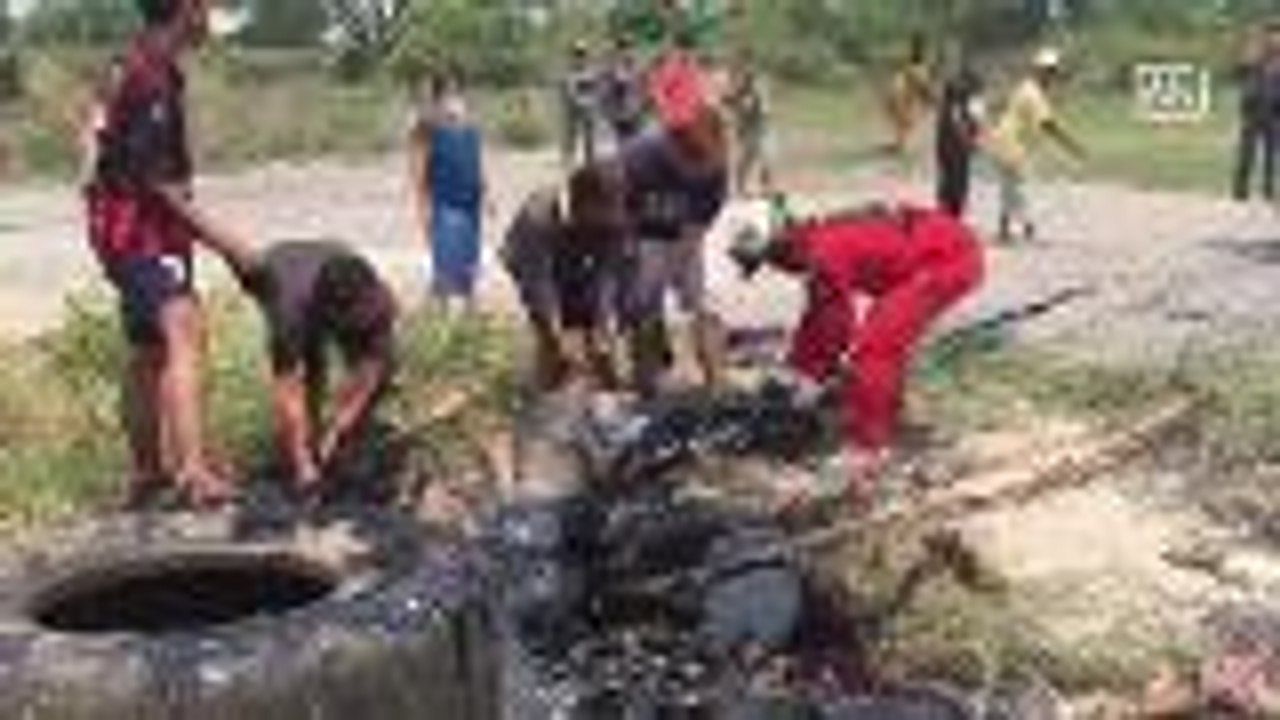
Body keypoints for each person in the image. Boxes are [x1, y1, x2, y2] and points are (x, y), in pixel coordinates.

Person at [729, 203, 983, 510]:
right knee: (884, 341)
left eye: (770, 258)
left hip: (946, 257)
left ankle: (869, 450)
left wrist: (810, 382)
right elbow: (817, 318)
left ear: (781, 241)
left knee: (874, 351)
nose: (775, 267)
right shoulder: (817, 244)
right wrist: (797, 372)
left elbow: (837, 327)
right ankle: (890, 423)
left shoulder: (823, 253)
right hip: (930, 249)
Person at [85, 0, 237, 508]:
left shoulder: (138, 66)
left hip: (128, 229)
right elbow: (158, 185)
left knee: (149, 350)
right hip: (140, 231)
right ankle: (192, 472)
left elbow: (93, 139)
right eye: (209, 7)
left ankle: (148, 472)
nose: (213, 17)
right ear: (186, 7)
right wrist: (227, 243)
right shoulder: (148, 77)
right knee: (184, 326)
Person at [215, 239, 397, 498]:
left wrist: (343, 424)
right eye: (354, 320)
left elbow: (376, 364)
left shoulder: (375, 295)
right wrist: (303, 466)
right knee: (312, 365)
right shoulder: (288, 309)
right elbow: (289, 387)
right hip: (274, 272)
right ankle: (305, 455)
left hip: (327, 262)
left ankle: (345, 451)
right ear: (331, 315)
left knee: (379, 371)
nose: (363, 322)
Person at [619, 107, 730, 396]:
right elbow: (620, 208)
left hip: (684, 228)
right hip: (642, 227)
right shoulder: (643, 153)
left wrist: (685, 255)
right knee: (644, 304)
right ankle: (648, 381)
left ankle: (717, 384)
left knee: (704, 306)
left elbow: (703, 219)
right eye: (696, 154)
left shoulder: (717, 163)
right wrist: (633, 252)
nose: (703, 163)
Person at [502, 164, 629, 391]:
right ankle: (548, 387)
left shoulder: (612, 214)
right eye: (606, 211)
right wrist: (558, 331)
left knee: (594, 326)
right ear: (584, 203)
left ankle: (608, 389)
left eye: (616, 211)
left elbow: (607, 273)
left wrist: (603, 320)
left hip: (576, 253)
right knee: (550, 332)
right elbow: (539, 284)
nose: (614, 217)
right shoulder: (538, 216)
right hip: (526, 258)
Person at [984, 47, 1086, 243]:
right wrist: (1072, 146)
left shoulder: (1026, 87)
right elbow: (1049, 125)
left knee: (1009, 187)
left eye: (1053, 72)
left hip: (1003, 140)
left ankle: (1005, 229)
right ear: (1041, 71)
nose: (1052, 77)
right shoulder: (1034, 95)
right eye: (1050, 72)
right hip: (1012, 144)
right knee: (1019, 187)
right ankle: (1028, 228)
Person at [408, 67, 487, 312]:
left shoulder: (469, 123)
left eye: (457, 89)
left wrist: (486, 191)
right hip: (444, 201)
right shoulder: (425, 125)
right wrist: (423, 205)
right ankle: (439, 309)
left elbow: (476, 160)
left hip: (470, 199)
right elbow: (418, 169)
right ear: (439, 95)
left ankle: (471, 307)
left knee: (469, 255)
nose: (454, 96)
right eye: (448, 90)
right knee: (445, 256)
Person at [934, 54, 986, 217]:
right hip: (956, 145)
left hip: (946, 144)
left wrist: (974, 138)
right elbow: (964, 121)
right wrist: (972, 140)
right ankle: (951, 217)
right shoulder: (966, 94)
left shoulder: (953, 92)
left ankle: (946, 216)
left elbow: (970, 121)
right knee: (957, 183)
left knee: (948, 181)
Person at [1233, 24, 1280, 202]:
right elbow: (1237, 75)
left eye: (1278, 35)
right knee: (1246, 153)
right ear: (1266, 37)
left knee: (1272, 156)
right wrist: (1245, 61)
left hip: (1275, 113)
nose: (1275, 39)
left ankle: (1268, 191)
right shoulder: (1254, 55)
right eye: (1272, 35)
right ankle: (1240, 191)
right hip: (1252, 110)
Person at [882, 33, 935, 158]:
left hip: (903, 95)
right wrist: (929, 98)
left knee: (905, 120)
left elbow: (922, 86)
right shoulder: (917, 68)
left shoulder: (911, 66)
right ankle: (901, 144)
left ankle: (900, 144)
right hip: (904, 96)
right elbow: (923, 86)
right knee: (906, 120)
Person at [725, 51, 771, 196]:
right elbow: (731, 102)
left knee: (765, 156)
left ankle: (764, 187)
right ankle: (740, 187)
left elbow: (763, 107)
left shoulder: (758, 84)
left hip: (759, 125)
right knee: (747, 158)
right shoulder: (738, 86)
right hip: (746, 126)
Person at [601, 37, 648, 149]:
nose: (627, 51)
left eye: (629, 47)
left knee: (637, 145)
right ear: (619, 51)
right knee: (624, 146)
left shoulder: (638, 68)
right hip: (621, 115)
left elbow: (645, 88)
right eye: (623, 48)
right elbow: (606, 92)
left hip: (636, 113)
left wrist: (643, 104)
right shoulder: (612, 70)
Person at [561, 40, 600, 168]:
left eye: (582, 53)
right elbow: (570, 92)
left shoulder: (592, 71)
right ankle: (569, 160)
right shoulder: (569, 73)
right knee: (571, 135)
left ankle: (590, 161)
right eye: (578, 53)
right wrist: (580, 100)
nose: (580, 57)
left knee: (589, 137)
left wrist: (591, 101)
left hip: (588, 108)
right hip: (574, 109)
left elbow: (597, 90)